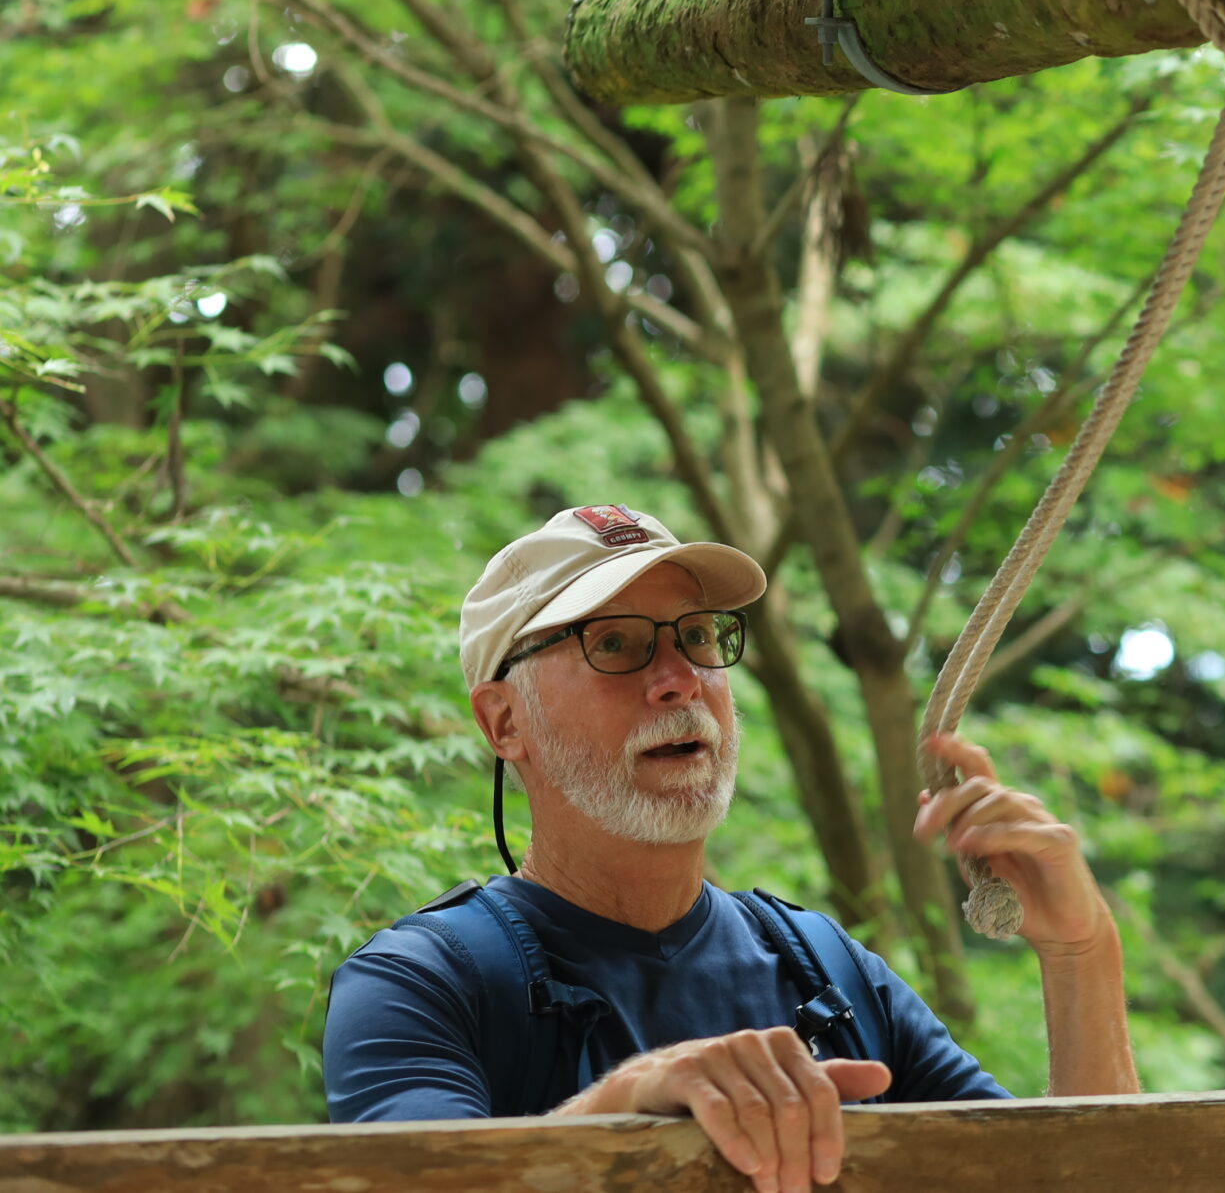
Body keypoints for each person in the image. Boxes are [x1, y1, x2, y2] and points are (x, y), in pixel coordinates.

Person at [324, 505, 1137, 1193]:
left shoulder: (829, 970)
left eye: (699, 634)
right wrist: (627, 1104)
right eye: (615, 643)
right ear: (505, 722)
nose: (678, 677)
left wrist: (1081, 951)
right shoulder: (421, 984)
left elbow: (1075, 1179)